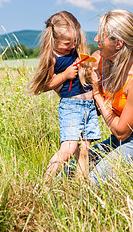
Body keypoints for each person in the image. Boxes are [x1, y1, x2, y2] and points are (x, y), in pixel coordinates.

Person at [63, 9, 133, 188]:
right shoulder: (103, 59)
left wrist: (96, 92)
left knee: (95, 181)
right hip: (119, 139)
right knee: (70, 171)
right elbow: (86, 64)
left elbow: (121, 131)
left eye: (100, 36)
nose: (95, 39)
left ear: (118, 43)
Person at [28, 11, 101, 182]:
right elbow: (42, 86)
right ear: (54, 40)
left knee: (84, 152)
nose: (72, 46)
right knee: (68, 149)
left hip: (89, 106)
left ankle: (82, 188)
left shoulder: (78, 52)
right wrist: (64, 75)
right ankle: (44, 184)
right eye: (67, 43)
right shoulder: (53, 58)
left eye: (75, 41)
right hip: (71, 107)